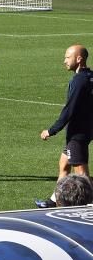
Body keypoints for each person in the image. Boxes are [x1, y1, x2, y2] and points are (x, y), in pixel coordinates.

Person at [35, 44, 93, 208]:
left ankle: (89, 206)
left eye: (68, 57)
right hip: (86, 129)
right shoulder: (90, 76)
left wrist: (51, 130)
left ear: (79, 59)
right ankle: (54, 200)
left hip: (77, 133)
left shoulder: (79, 80)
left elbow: (69, 110)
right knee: (64, 165)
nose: (65, 61)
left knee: (81, 175)